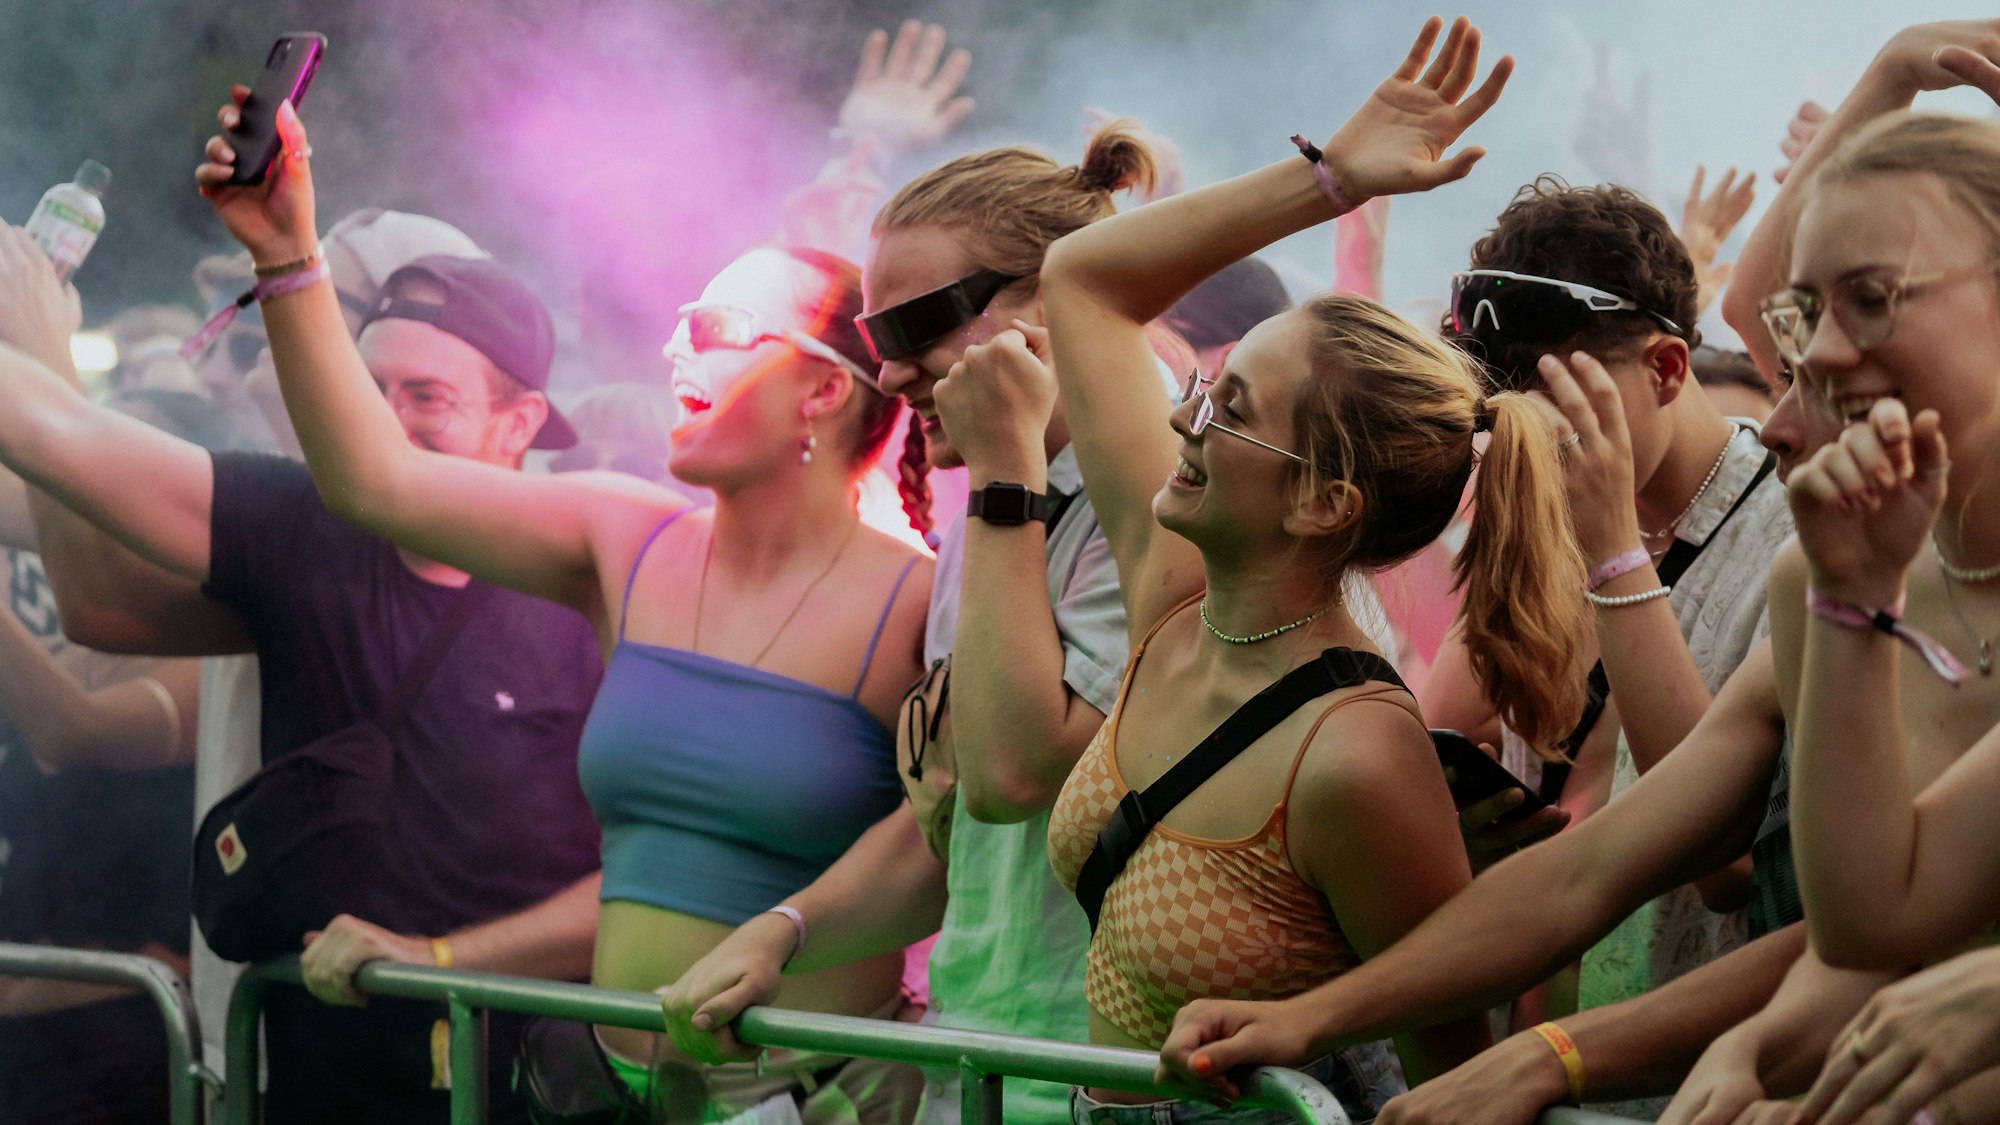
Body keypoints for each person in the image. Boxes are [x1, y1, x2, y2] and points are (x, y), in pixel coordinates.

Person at [199, 91, 933, 1122]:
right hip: (603, 1091)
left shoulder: (918, 601)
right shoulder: (627, 540)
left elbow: (950, 847)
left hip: (816, 1098)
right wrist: (288, 255)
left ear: (824, 390)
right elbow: (374, 482)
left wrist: (790, 932)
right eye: (679, 324)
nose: (676, 350)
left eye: (717, 329)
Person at [1038, 17, 1567, 1120]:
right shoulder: (1173, 605)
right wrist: (1324, 178)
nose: (1184, 419)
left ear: (1325, 499)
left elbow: (1446, 1073)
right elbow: (1080, 277)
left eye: (1228, 408)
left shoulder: (1356, 756)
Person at [0, 214, 604, 1122]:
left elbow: (653, 873)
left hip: (524, 1087)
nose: (385, 423)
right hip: (302, 1079)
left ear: (520, 421)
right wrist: (38, 345)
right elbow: (96, 573)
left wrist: (441, 959)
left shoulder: (600, 576)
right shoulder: (307, 524)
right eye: (367, 387)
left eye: (427, 395)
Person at [663, 122, 1156, 1125]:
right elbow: (955, 820)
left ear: (1057, 300)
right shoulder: (989, 507)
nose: (888, 376)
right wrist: (786, 930)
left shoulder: (1158, 501)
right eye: (872, 340)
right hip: (974, 1059)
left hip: (1119, 1084)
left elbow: (1019, 775)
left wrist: (1007, 481)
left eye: (917, 328)